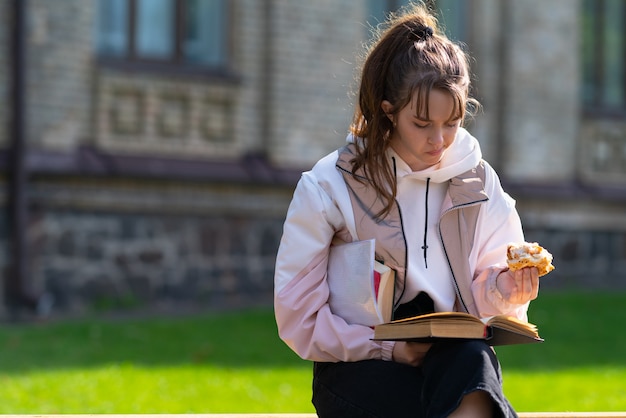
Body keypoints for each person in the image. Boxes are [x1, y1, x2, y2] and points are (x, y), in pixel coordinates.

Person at [274, 3, 539, 417]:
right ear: (388, 111)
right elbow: (298, 319)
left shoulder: (479, 183)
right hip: (359, 364)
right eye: (422, 124)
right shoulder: (329, 186)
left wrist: (506, 290)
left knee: (472, 362)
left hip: (450, 360)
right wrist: (389, 348)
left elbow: (489, 302)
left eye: (451, 122)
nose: (440, 140)